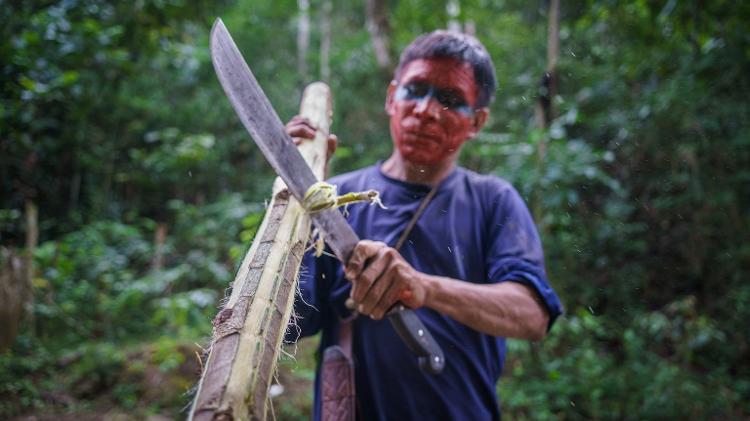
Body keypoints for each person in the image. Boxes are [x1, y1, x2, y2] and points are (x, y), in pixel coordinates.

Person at [285, 30, 563, 420]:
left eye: (450, 100)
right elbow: (290, 325)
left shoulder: (492, 201)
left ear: (477, 122)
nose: (426, 110)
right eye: (415, 91)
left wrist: (424, 288)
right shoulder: (334, 199)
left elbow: (532, 315)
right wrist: (286, 199)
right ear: (391, 98)